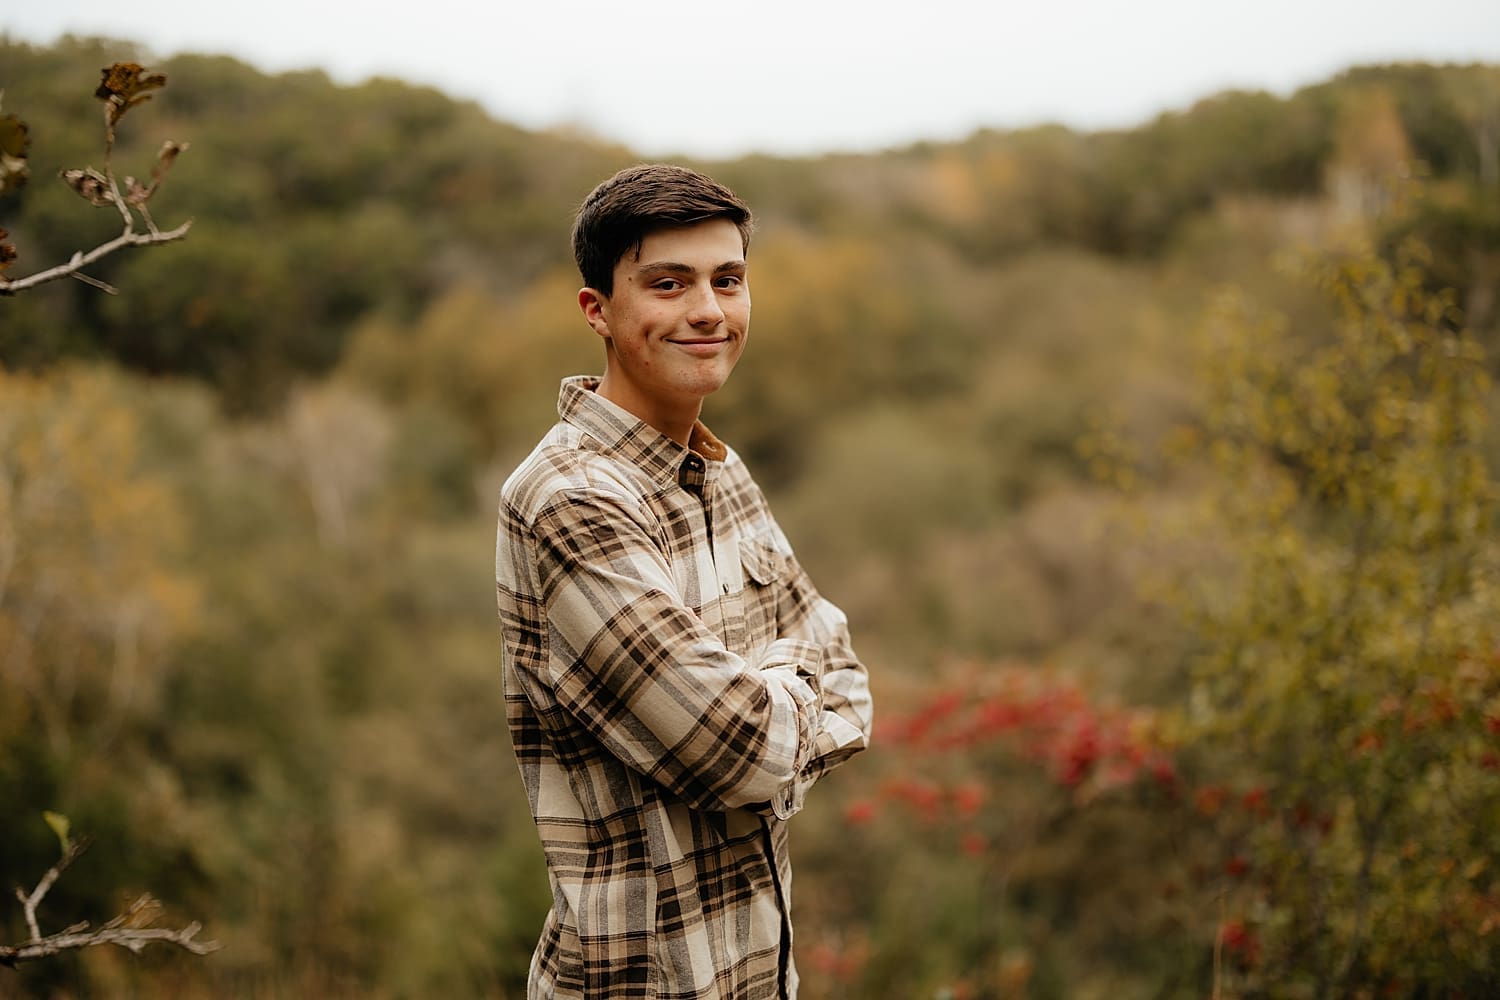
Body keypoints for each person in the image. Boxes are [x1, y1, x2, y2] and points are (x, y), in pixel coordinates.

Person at [494, 163, 874, 999]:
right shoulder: (570, 500)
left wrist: (774, 702)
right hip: (636, 983)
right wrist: (785, 692)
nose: (708, 310)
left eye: (727, 280)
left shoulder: (716, 469)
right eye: (668, 284)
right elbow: (738, 752)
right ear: (598, 309)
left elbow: (851, 677)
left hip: (757, 978)